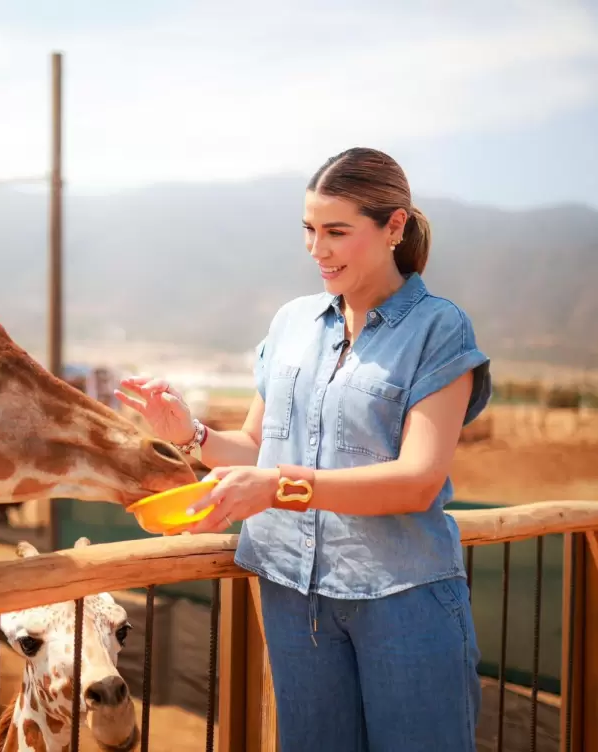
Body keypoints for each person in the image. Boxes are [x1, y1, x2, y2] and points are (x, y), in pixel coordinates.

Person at [115, 147, 490, 752]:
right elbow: (257, 448)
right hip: (294, 598)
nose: (318, 251)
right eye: (310, 231)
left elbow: (419, 480)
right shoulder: (290, 323)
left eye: (337, 232)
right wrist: (190, 433)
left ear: (394, 226)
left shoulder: (439, 329)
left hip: (403, 600)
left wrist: (277, 485)